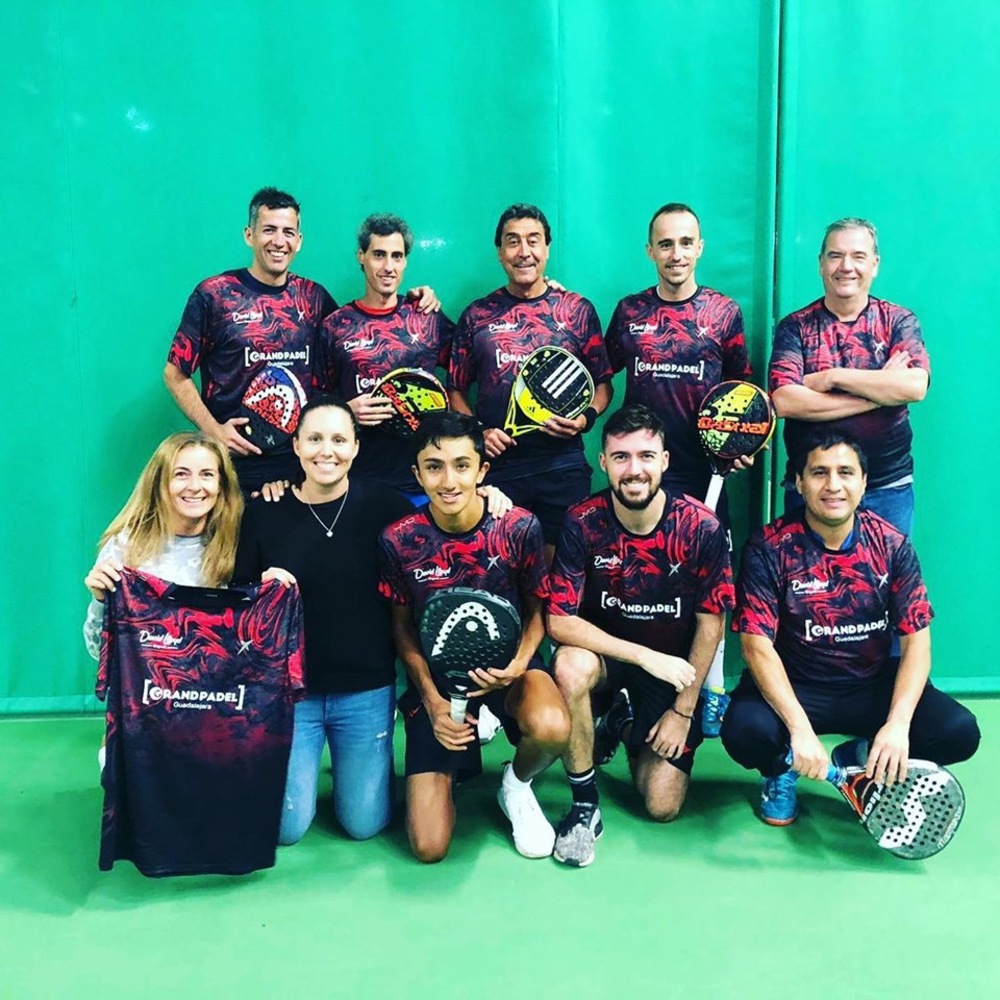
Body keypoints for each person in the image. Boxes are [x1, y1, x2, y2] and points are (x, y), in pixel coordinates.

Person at [721, 431, 979, 827]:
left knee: (958, 732)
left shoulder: (891, 544)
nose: (833, 485)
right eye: (819, 473)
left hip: (870, 686)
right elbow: (756, 646)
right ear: (800, 483)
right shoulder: (768, 547)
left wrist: (897, 726)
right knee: (744, 730)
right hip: (798, 685)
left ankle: (862, 757)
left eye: (845, 472)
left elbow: (917, 643)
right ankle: (782, 769)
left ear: (863, 482)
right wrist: (799, 730)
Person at [544, 404, 733, 866]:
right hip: (607, 662)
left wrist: (683, 711)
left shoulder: (701, 528)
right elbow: (559, 621)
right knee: (569, 664)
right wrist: (643, 655)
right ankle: (585, 804)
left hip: (671, 674)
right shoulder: (581, 522)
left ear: (665, 461)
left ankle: (621, 723)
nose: (634, 470)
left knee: (662, 805)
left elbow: (711, 623)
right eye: (621, 457)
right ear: (603, 462)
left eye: (646, 456)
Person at [378, 412, 571, 862]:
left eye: (462, 465)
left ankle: (515, 785)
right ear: (417, 474)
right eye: (434, 467)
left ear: (482, 471)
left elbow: (538, 610)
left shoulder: (519, 527)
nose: (449, 481)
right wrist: (432, 700)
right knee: (429, 847)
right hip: (440, 683)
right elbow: (401, 626)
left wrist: (518, 666)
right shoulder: (398, 540)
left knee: (552, 727)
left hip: (510, 670)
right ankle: (457, 756)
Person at [164, 188, 439, 494]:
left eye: (288, 232)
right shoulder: (215, 294)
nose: (279, 241)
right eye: (269, 230)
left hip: (300, 463)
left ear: (299, 240)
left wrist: (412, 301)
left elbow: (357, 337)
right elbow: (175, 374)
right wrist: (213, 430)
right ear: (249, 235)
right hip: (234, 462)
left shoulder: (314, 298)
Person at [232, 395, 413, 843]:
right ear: (296, 445)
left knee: (364, 825)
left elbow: (448, 523)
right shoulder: (263, 512)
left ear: (355, 447)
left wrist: (489, 494)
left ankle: (359, 771)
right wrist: (259, 591)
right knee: (286, 829)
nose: (326, 451)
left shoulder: (388, 508)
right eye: (314, 439)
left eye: (338, 439)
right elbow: (236, 607)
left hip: (366, 691)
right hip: (292, 694)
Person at [604, 203, 752, 734]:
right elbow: (602, 379)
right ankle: (625, 688)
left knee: (710, 587)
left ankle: (710, 690)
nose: (676, 254)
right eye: (665, 244)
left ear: (700, 248)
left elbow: (743, 390)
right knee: (637, 581)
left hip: (705, 475)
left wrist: (742, 443)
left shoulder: (723, 313)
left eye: (686, 242)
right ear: (650, 251)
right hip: (642, 475)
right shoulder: (629, 312)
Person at [448, 203, 614, 563]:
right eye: (513, 241)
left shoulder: (577, 310)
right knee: (502, 571)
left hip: (563, 468)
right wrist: (478, 433)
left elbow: (603, 384)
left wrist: (584, 418)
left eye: (533, 240)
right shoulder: (477, 315)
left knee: (561, 574)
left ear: (547, 248)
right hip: (499, 470)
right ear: (500, 252)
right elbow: (455, 389)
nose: (524, 251)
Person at [83, 432, 245, 769]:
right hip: (147, 706)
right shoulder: (125, 548)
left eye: (207, 474)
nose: (194, 486)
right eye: (181, 474)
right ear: (160, 481)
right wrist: (99, 601)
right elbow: (100, 650)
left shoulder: (239, 544)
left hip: (216, 706)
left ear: (221, 485)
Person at [769, 218, 929, 537]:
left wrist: (832, 378)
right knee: (809, 572)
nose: (846, 266)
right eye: (835, 255)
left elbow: (914, 386)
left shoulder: (898, 321)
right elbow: (786, 401)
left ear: (875, 264)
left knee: (886, 572)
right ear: (821, 264)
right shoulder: (795, 328)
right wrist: (880, 393)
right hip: (811, 488)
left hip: (887, 488)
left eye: (858, 256)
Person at [319, 213, 455, 503]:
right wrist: (345, 412)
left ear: (405, 261)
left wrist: (543, 289)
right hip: (357, 482)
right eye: (379, 255)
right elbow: (313, 403)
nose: (388, 267)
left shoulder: (427, 316)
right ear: (361, 256)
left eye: (397, 256)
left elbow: (471, 370)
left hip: (423, 484)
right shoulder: (335, 326)